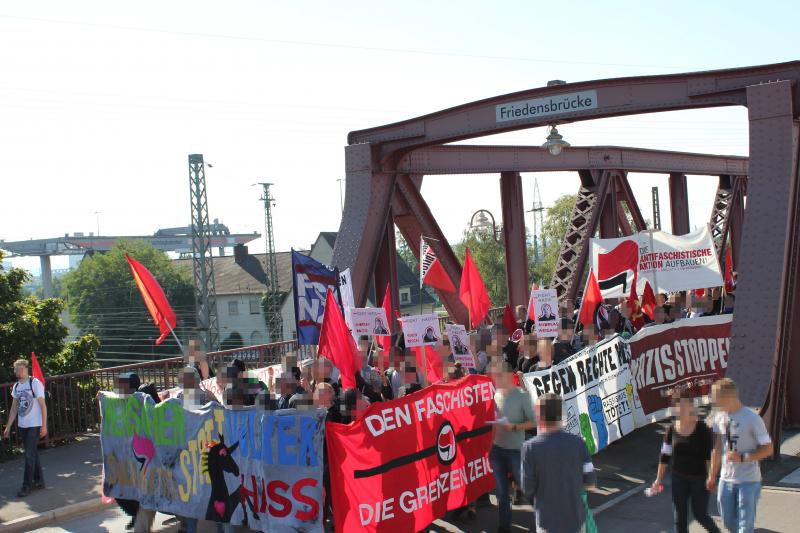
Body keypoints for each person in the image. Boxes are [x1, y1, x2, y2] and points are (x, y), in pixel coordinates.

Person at [521, 393, 596, 533]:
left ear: (539, 416)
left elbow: (527, 488)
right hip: (575, 519)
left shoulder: (529, 448)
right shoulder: (578, 443)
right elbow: (590, 480)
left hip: (547, 521)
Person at [708, 378, 773, 533]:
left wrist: (743, 458)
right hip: (726, 479)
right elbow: (717, 447)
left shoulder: (752, 419)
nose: (714, 401)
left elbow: (768, 448)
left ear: (728, 397)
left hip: (749, 480)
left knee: (744, 527)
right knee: (729, 522)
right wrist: (712, 475)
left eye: (716, 398)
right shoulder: (719, 417)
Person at [651, 391, 720, 533]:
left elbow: (710, 455)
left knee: (700, 515)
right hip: (679, 479)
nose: (682, 410)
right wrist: (658, 480)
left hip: (699, 479)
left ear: (691, 407)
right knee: (679, 518)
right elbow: (665, 456)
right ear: (674, 409)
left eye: (686, 406)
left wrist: (711, 478)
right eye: (679, 407)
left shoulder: (701, 428)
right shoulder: (671, 429)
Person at [489, 361, 536, 533]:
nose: (496, 378)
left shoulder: (522, 396)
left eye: (499, 375)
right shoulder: (495, 394)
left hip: (515, 451)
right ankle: (504, 527)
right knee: (502, 494)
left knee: (526, 488)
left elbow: (533, 422)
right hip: (497, 451)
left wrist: (514, 427)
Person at [3, 358, 47, 497]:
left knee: (28, 455)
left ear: (26, 369)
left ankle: (26, 486)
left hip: (34, 425)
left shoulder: (34, 383)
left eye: (20, 368)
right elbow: (14, 408)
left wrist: (44, 425)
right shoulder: (16, 386)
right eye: (16, 369)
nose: (18, 371)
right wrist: (8, 426)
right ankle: (39, 481)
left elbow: (42, 405)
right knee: (31, 452)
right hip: (23, 425)